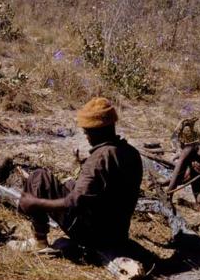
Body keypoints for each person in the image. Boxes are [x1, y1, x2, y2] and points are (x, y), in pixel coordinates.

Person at [8, 97, 143, 252]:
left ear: (96, 131)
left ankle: (39, 240)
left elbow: (74, 203)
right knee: (70, 184)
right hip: (117, 233)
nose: (86, 137)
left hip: (95, 236)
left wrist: (36, 203)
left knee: (39, 177)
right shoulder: (131, 152)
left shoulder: (100, 159)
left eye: (87, 133)